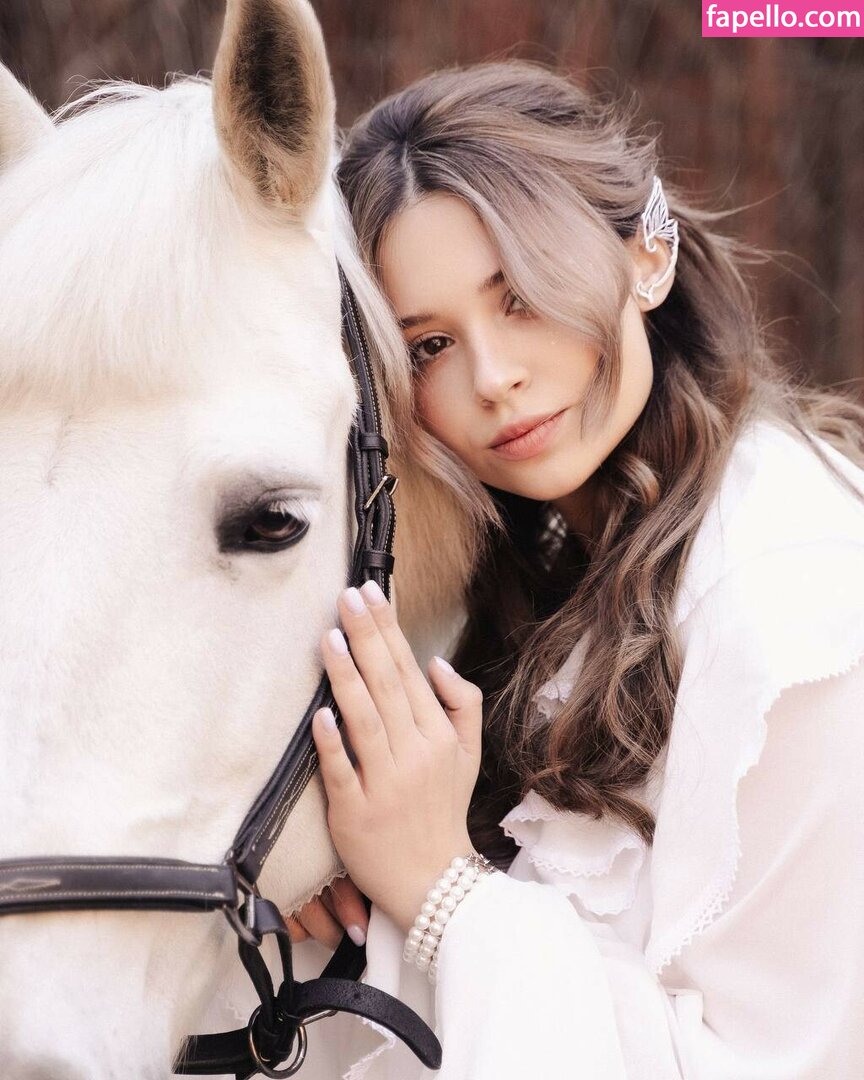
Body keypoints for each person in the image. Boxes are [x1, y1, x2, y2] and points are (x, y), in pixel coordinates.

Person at [293, 61, 864, 1078]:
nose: (492, 378)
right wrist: (369, 892)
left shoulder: (790, 601)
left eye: (519, 298)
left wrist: (441, 891)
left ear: (647, 253)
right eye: (429, 345)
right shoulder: (542, 561)